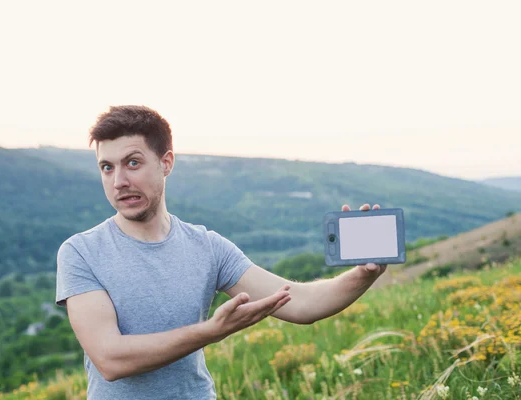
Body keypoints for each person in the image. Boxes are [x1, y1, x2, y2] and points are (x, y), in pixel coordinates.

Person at [55, 105, 387, 399]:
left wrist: (362, 275)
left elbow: (300, 303)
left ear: (166, 162)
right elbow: (110, 359)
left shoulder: (207, 247)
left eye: (133, 163)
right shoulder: (81, 252)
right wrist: (212, 331)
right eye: (107, 168)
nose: (119, 181)